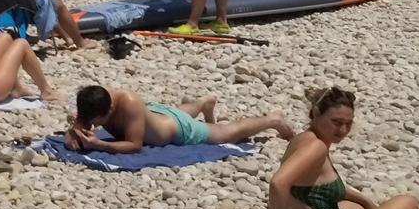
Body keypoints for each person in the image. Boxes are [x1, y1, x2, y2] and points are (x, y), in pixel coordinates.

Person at [269, 87, 419, 209]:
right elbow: (278, 183)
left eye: (348, 123)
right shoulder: (316, 147)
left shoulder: (304, 138)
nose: (343, 130)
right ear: (315, 113)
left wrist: (367, 202)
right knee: (407, 204)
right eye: (336, 122)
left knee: (358, 207)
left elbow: (318, 187)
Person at [67, 84, 291, 152]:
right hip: (160, 116)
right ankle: (204, 102)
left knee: (228, 133)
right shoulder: (91, 100)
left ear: (109, 111)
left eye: (98, 122)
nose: (94, 125)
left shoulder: (129, 103)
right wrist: (74, 136)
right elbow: (74, 132)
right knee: (174, 114)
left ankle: (272, 119)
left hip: (179, 130)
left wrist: (100, 144)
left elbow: (135, 145)